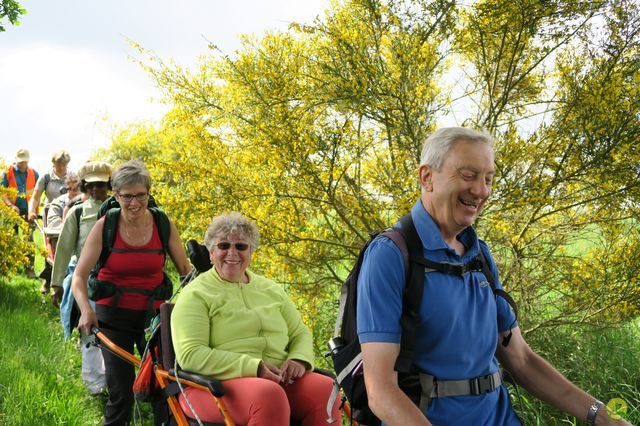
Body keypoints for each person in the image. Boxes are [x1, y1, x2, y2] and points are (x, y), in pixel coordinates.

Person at [357, 127, 632, 426]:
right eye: (468, 175)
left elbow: (521, 359)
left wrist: (601, 416)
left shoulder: (479, 255)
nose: (481, 190)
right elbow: (381, 391)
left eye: (488, 179)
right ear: (427, 177)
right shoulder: (391, 255)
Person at [171, 212, 341, 425]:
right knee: (268, 395)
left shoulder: (271, 289)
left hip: (277, 379)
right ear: (211, 252)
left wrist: (299, 358)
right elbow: (191, 355)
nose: (232, 253)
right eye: (224, 246)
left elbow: (300, 333)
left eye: (241, 246)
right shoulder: (196, 294)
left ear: (251, 252)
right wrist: (254, 367)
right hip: (212, 386)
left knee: (326, 389)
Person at [73, 159, 192, 425]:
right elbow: (79, 276)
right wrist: (86, 310)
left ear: (149, 193)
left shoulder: (162, 223)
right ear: (116, 195)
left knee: (167, 389)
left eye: (141, 195)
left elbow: (185, 270)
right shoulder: (106, 226)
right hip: (112, 316)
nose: (135, 203)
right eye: (127, 196)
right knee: (121, 392)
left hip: (155, 318)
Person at [51, 163, 111, 396]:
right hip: (87, 282)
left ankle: (116, 383)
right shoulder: (78, 212)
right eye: (93, 185)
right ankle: (95, 388)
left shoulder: (119, 210)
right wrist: (57, 284)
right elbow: (64, 249)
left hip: (116, 283)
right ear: (86, 186)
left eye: (102, 185)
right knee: (90, 333)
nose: (98, 189)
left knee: (114, 336)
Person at [28, 149, 72, 294]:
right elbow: (35, 197)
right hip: (50, 215)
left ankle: (62, 280)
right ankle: (50, 280)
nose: (62, 168)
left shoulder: (72, 177)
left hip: (68, 213)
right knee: (51, 249)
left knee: (67, 245)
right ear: (53, 164)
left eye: (64, 165)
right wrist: (32, 211)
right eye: (59, 165)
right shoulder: (46, 178)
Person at [1, 148, 39, 277]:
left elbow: (37, 193)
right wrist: (10, 205)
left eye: (23, 161)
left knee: (29, 239)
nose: (21, 164)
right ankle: (12, 268)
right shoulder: (7, 172)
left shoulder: (34, 173)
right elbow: (3, 192)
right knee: (13, 238)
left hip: (29, 211)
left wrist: (33, 210)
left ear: (27, 160)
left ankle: (30, 269)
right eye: (19, 161)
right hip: (13, 211)